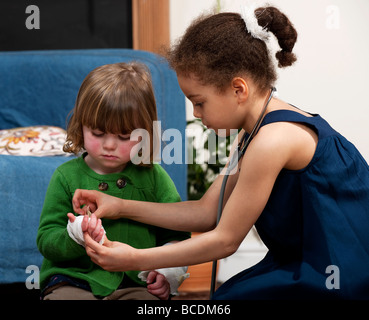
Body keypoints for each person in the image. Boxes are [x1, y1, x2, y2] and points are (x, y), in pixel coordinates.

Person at [73, 7, 369, 299]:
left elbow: (226, 240)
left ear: (239, 89)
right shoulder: (251, 134)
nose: (195, 113)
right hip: (304, 261)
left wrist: (134, 259)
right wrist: (120, 205)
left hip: (338, 271)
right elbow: (206, 212)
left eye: (199, 102)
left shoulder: (272, 140)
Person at [36, 62, 190, 300]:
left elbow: (177, 234)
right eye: (97, 133)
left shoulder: (155, 177)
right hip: (75, 279)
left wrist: (166, 272)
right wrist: (76, 233)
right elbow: (46, 240)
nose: (109, 145)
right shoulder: (65, 177)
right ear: (81, 126)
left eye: (124, 136)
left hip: (137, 283)